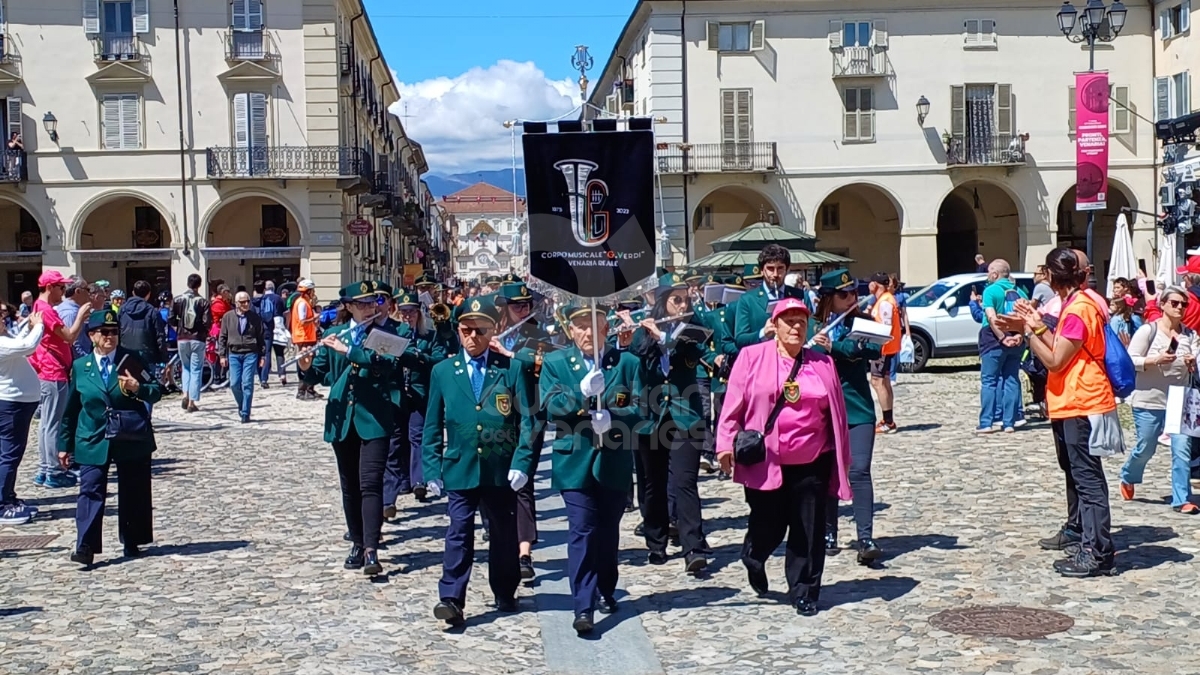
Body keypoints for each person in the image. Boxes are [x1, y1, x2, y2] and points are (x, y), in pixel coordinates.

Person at [716, 297, 852, 616]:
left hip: (813, 459)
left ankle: (803, 589)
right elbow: (732, 406)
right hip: (767, 461)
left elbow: (837, 415)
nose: (795, 326)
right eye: (788, 321)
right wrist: (724, 444)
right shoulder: (751, 357)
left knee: (809, 528)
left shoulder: (823, 363)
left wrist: (842, 459)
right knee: (769, 525)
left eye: (801, 322)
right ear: (775, 326)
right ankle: (754, 555)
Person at [512, 302, 641, 635]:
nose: (587, 332)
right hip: (574, 461)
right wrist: (582, 395)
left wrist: (614, 419)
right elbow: (552, 406)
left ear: (605, 329)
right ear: (570, 331)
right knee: (581, 530)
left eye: (594, 325)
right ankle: (582, 605)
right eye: (580, 325)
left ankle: (606, 587)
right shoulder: (556, 363)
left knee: (607, 532)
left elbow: (642, 411)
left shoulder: (624, 363)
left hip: (612, 459)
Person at [995, 248, 1118, 577]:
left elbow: (1054, 359)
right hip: (1072, 400)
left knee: (1088, 481)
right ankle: (1088, 542)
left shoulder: (1078, 309)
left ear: (1051, 277)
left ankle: (1098, 552)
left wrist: (1030, 329)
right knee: (1080, 475)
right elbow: (1057, 345)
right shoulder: (1075, 305)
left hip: (1082, 400)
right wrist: (1032, 326)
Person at [423, 295, 530, 626]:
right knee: (459, 530)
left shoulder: (510, 369)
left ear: (493, 330)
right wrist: (431, 467)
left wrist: (522, 462)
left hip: (500, 466)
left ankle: (505, 588)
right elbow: (431, 423)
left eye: (480, 331)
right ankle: (451, 597)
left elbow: (527, 420)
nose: (473, 338)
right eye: (467, 331)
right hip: (460, 464)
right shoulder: (443, 371)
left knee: (502, 532)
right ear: (458, 330)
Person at [299, 281, 400, 577]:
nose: (371, 307)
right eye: (364, 303)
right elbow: (317, 374)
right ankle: (356, 541)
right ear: (349, 307)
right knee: (350, 486)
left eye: (373, 303)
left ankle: (371, 549)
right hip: (342, 418)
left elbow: (386, 365)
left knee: (370, 483)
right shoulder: (332, 335)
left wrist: (349, 351)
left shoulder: (384, 334)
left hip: (375, 418)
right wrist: (305, 364)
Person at [60, 309, 163, 567]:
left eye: (114, 332)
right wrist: (64, 445)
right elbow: (71, 409)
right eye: (104, 333)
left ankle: (133, 538)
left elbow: (156, 392)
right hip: (93, 436)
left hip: (130, 434)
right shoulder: (80, 367)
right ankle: (85, 546)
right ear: (91, 335)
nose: (110, 337)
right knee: (90, 489)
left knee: (134, 489)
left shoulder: (132, 359)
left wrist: (137, 388)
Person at [631, 272, 715, 575]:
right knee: (653, 483)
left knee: (685, 482)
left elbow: (697, 347)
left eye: (685, 299)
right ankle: (656, 541)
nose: (681, 305)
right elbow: (635, 355)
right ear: (662, 301)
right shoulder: (644, 331)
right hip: (651, 418)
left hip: (685, 417)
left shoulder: (691, 330)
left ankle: (694, 546)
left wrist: (666, 336)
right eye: (675, 300)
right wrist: (647, 335)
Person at [810, 269, 884, 563]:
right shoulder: (812, 325)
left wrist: (835, 347)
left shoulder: (863, 322)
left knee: (859, 469)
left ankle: (865, 537)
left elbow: (871, 349)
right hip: (821, 410)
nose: (852, 298)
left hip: (856, 408)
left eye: (853, 292)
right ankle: (829, 531)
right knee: (827, 471)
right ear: (828, 298)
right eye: (844, 294)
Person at [488, 280, 551, 580]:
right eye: (516, 306)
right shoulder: (490, 330)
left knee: (523, 482)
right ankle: (499, 535)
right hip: (494, 416)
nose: (522, 310)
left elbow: (543, 362)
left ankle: (524, 551)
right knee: (493, 482)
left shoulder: (537, 333)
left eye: (526, 305)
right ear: (505, 307)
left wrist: (510, 355)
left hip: (529, 414)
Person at [1119, 286, 1198, 514]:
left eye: (1184, 304)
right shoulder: (1148, 331)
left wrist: (1193, 363)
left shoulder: (1190, 335)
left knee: (1182, 449)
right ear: (1162, 304)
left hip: (1179, 399)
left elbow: (1195, 360)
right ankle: (1128, 474)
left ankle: (1181, 499)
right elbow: (1130, 360)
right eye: (1174, 303)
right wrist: (1155, 360)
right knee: (1147, 446)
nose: (1180, 308)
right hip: (1148, 398)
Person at [30, 271, 91, 489]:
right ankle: (52, 471)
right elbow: (69, 336)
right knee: (52, 424)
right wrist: (81, 317)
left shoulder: (38, 307)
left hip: (47, 370)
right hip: (53, 372)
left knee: (46, 423)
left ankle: (45, 468)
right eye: (60, 287)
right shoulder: (47, 311)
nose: (63, 292)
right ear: (50, 287)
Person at [0, 311, 45, 525]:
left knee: (11, 453)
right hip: (11, 404)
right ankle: (2, 505)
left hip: (19, 404)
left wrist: (28, 326)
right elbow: (27, 347)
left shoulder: (4, 341)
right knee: (9, 454)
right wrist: (39, 325)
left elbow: (19, 343)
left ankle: (8, 496)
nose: (3, 319)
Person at [977, 260, 1027, 434]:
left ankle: (986, 423)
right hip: (1017, 339)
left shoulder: (990, 291)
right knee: (1011, 379)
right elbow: (1025, 318)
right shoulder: (1020, 292)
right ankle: (1009, 423)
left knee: (989, 380)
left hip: (994, 339)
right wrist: (1019, 335)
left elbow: (991, 317)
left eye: (989, 272)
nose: (987, 275)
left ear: (995, 274)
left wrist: (1002, 337)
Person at [734, 245, 803, 349]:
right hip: (762, 361)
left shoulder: (799, 295)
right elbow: (740, 340)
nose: (775, 274)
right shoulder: (747, 300)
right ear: (762, 270)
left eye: (780, 268)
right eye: (770, 268)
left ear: (787, 269)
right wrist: (763, 334)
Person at [218, 291, 266, 424]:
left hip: (251, 353)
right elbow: (222, 337)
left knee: (247, 383)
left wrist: (263, 355)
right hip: (234, 353)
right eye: (243, 302)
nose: (246, 304)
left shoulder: (255, 317)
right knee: (234, 384)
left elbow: (261, 337)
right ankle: (241, 404)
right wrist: (222, 355)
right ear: (237, 303)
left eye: (248, 301)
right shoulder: (228, 317)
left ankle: (245, 412)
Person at [169, 274, 211, 413]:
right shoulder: (203, 302)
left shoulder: (177, 300)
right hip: (198, 338)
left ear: (188, 284)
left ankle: (185, 394)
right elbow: (207, 322)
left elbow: (171, 318)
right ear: (199, 285)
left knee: (185, 368)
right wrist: (204, 331)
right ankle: (192, 402)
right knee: (196, 369)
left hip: (182, 338)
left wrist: (178, 328)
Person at [868, 272, 901, 433]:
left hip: (882, 348)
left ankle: (888, 422)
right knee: (884, 381)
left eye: (870, 283)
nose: (868, 285)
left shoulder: (885, 301)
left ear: (876, 284)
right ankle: (888, 420)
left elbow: (886, 326)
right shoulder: (882, 300)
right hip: (885, 347)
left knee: (878, 381)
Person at [118, 280, 168, 376]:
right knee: (148, 386)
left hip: (125, 355)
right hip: (147, 356)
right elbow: (160, 336)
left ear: (133, 292)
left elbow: (117, 332)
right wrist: (163, 358)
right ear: (148, 294)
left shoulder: (122, 310)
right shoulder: (152, 311)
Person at [291, 279, 321, 400]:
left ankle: (310, 388)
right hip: (303, 337)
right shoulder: (302, 303)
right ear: (308, 291)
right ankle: (303, 390)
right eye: (312, 290)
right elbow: (303, 321)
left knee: (309, 363)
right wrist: (315, 318)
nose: (314, 292)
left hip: (307, 336)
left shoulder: (305, 302)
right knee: (304, 363)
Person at [254, 281, 282, 388]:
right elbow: (273, 315)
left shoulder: (250, 302)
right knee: (267, 353)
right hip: (267, 330)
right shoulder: (268, 300)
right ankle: (264, 379)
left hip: (254, 332)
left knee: (256, 353)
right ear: (264, 289)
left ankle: (260, 376)